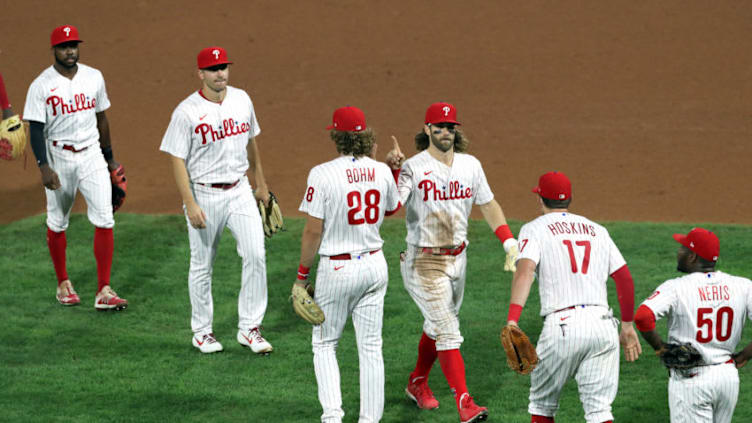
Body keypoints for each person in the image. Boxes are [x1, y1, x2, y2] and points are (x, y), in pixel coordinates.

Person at [385, 102, 519, 423]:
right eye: (440, 126)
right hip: (424, 263)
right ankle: (465, 402)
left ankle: (417, 382)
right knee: (448, 331)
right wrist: (392, 170)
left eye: (451, 126)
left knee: (436, 326)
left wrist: (509, 241)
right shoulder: (413, 168)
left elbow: (488, 204)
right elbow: (391, 207)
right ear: (427, 129)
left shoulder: (471, 165)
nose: (446, 131)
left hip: (459, 259)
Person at [160, 46, 273, 354]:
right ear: (201, 74)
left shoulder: (242, 99)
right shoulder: (186, 112)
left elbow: (252, 143)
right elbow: (176, 159)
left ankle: (249, 327)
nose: (220, 73)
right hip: (204, 193)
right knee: (202, 264)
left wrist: (260, 185)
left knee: (256, 255)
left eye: (223, 66)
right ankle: (202, 331)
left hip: (239, 192)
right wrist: (190, 203)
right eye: (213, 69)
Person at [505, 171, 642, 423]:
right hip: (603, 325)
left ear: (540, 199)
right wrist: (627, 325)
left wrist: (513, 319)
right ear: (569, 199)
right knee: (599, 410)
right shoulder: (597, 230)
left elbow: (525, 273)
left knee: (542, 405)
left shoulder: (534, 228)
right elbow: (624, 278)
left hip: (563, 326)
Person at [296, 106, 400, 423]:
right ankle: (369, 420)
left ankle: (333, 417)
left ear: (336, 136)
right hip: (374, 267)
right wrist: (390, 169)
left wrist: (302, 276)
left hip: (338, 269)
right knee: (370, 347)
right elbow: (391, 209)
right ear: (366, 136)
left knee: (325, 343)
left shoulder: (322, 173)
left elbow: (314, 230)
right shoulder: (381, 171)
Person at [23, 25, 128, 310]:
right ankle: (63, 283)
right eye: (63, 46)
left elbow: (102, 118)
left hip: (92, 154)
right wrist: (44, 166)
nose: (69, 50)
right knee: (58, 221)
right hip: (59, 156)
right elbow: (35, 129)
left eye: (73, 45)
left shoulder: (94, 77)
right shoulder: (41, 85)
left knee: (105, 219)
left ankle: (104, 290)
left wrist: (109, 159)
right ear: (54, 50)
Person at [635, 227, 752, 423]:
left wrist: (661, 349)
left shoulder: (676, 287)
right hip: (727, 376)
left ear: (692, 257)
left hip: (692, 379)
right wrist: (744, 356)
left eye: (682, 249)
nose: (678, 252)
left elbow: (642, 317)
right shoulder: (743, 286)